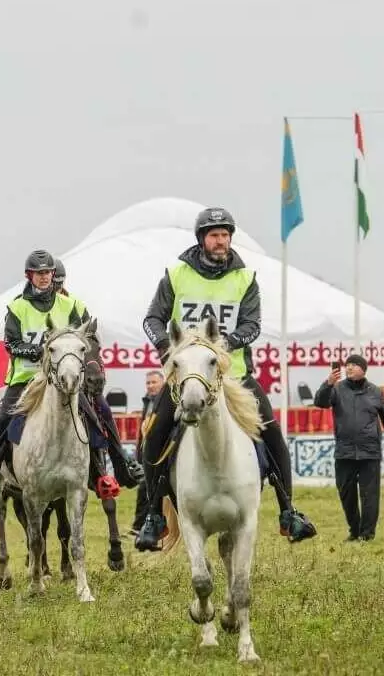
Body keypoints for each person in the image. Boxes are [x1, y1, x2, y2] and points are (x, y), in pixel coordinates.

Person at [135, 207, 318, 551]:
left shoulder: (245, 279)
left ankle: (288, 510)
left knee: (272, 433)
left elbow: (253, 325)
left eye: (225, 235)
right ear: (201, 239)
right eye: (214, 235)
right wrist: (166, 347)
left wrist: (225, 345)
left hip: (233, 376)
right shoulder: (176, 275)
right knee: (154, 433)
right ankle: (153, 516)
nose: (221, 241)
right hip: (185, 375)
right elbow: (152, 318)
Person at [0, 250, 86, 500]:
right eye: (39, 273)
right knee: (4, 418)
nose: (44, 277)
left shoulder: (71, 305)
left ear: (53, 274)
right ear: (29, 276)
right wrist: (40, 351)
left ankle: (108, 471)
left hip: (61, 379)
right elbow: (11, 344)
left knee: (96, 413)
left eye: (47, 273)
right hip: (25, 379)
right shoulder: (17, 307)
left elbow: (83, 337)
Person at [52, 256, 143, 496]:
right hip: (43, 376)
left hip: (75, 378)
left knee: (102, 409)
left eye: (59, 283)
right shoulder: (26, 305)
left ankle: (121, 463)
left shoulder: (76, 307)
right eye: (53, 283)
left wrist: (92, 369)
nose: (56, 288)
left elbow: (90, 340)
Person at [313, 354, 384, 542]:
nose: (349, 368)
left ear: (363, 369)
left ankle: (367, 535)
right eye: (347, 365)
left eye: (354, 365)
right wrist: (328, 383)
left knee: (370, 496)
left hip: (370, 452)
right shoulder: (336, 389)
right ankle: (354, 531)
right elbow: (320, 402)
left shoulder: (375, 392)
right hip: (345, 452)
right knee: (347, 495)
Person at [131, 370, 165, 534]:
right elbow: (142, 431)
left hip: (163, 454)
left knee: (148, 487)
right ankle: (140, 526)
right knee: (145, 487)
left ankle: (144, 526)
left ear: (162, 382)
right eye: (148, 383)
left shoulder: (167, 402)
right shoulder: (148, 401)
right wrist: (139, 454)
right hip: (148, 453)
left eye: (154, 382)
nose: (150, 386)